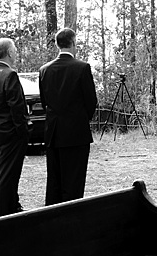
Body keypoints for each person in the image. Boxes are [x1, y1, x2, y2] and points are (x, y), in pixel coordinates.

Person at [38, 28, 98, 206]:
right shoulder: (82, 68)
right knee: (74, 180)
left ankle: (53, 217)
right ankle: (72, 217)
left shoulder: (44, 70)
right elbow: (91, 101)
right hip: (75, 133)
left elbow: (44, 101)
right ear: (73, 43)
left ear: (57, 44)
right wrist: (79, 119)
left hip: (53, 133)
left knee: (54, 180)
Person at [0, 38, 29, 218]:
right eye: (15, 49)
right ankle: (3, 215)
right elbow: (17, 108)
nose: (16, 52)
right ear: (9, 53)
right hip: (10, 133)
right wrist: (23, 133)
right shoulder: (10, 75)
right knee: (6, 175)